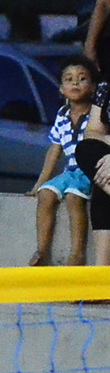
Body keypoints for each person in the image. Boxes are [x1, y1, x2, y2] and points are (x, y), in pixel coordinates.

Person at [27, 57, 95, 267]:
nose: (75, 83)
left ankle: (77, 254)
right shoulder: (62, 115)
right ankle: (41, 251)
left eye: (82, 79)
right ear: (61, 89)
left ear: (93, 87)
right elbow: (54, 150)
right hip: (70, 170)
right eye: (69, 79)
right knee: (46, 194)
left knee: (74, 197)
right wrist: (39, 184)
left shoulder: (96, 113)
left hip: (89, 170)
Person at [70, 68, 110, 267]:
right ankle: (103, 275)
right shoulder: (106, 85)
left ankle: (102, 271)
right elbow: (92, 131)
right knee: (87, 151)